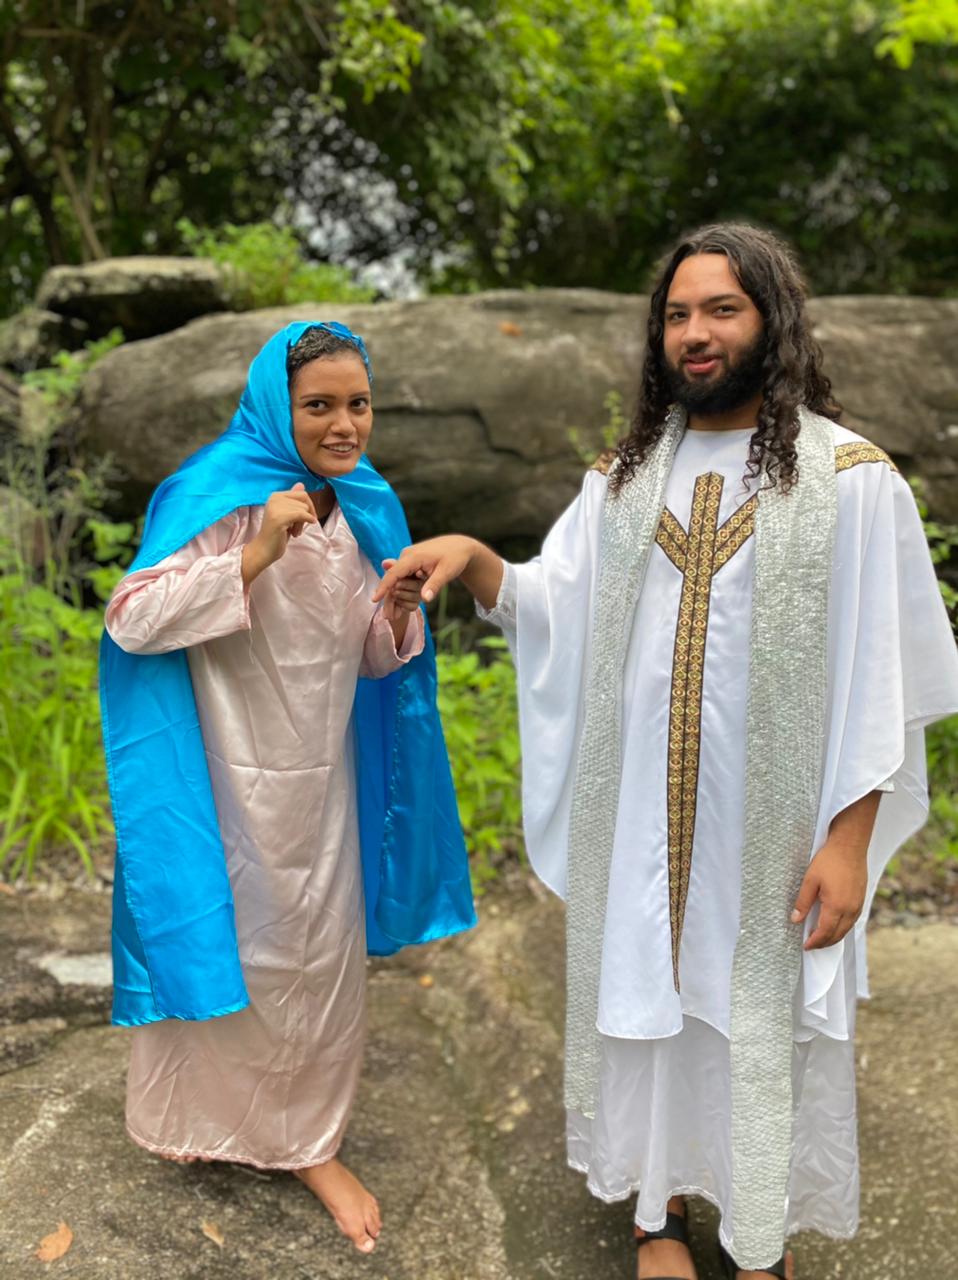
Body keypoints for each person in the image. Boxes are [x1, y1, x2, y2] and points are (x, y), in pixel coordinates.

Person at [374, 224, 958, 1278]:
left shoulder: (851, 479)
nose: (695, 333)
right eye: (677, 314)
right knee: (649, 1004)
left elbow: (884, 672)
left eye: (721, 309)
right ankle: (659, 1215)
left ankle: (758, 1234)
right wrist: (473, 558)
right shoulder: (625, 478)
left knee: (756, 1015)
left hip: (772, 834)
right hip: (640, 816)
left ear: (772, 320)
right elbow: (560, 606)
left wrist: (850, 842)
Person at [101, 321, 475, 1255]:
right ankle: (200, 1119)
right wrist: (257, 549)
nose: (344, 424)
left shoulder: (365, 505)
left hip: (322, 777)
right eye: (319, 406)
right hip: (222, 774)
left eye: (358, 404)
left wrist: (396, 614)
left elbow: (371, 658)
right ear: (278, 405)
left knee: (313, 953)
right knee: (227, 940)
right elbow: (133, 618)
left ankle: (307, 1142)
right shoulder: (217, 493)